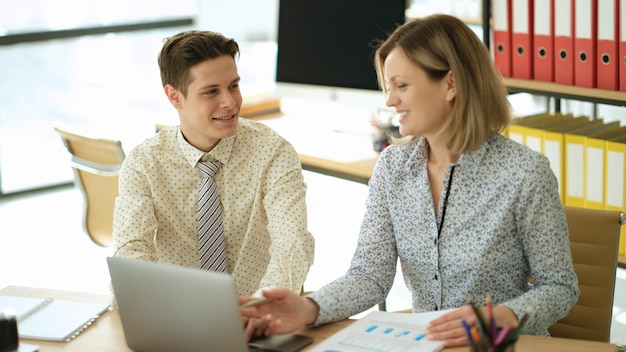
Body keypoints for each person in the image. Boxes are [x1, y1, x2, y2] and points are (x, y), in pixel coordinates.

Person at [240, 14, 579, 347]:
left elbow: (560, 287)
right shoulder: (393, 167)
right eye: (389, 88)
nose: (389, 100)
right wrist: (310, 308)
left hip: (497, 344)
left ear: (450, 84)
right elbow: (369, 276)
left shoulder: (523, 172)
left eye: (401, 86)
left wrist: (501, 316)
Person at [112, 30, 315, 297]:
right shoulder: (144, 164)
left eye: (234, 86)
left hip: (262, 313)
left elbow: (292, 244)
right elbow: (131, 252)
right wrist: (151, 307)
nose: (230, 102)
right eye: (211, 92)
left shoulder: (272, 152)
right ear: (174, 97)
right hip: (177, 314)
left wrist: (262, 308)